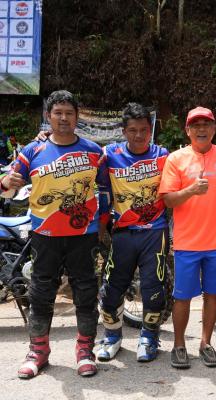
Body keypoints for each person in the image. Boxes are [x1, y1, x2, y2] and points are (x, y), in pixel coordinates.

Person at [2, 90, 110, 379]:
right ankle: (38, 352)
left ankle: (85, 352)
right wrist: (6, 182)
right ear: (48, 116)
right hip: (44, 234)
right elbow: (7, 185)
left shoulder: (93, 151)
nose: (63, 118)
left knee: (85, 292)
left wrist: (102, 224)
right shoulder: (32, 151)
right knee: (41, 293)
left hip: (83, 235)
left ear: (77, 117)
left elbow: (105, 191)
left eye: (69, 113)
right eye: (58, 113)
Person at [159, 106, 216, 369]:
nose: (201, 129)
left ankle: (206, 343)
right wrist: (191, 190)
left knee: (212, 294)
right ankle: (179, 344)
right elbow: (168, 200)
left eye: (206, 124)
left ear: (214, 129)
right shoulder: (176, 159)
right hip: (187, 243)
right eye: (196, 125)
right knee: (182, 297)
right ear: (188, 130)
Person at [96, 102, 169, 363]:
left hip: (155, 232)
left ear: (151, 130)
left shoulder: (163, 155)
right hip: (123, 233)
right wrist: (101, 226)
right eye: (133, 130)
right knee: (111, 290)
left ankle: (149, 338)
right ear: (123, 131)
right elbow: (102, 192)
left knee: (153, 289)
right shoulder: (109, 154)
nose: (139, 135)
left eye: (144, 130)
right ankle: (112, 337)